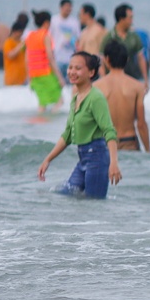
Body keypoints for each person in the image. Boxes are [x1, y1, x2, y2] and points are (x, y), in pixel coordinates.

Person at [36, 53, 120, 198]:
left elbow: (109, 131)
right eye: (70, 68)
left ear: (91, 72)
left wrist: (114, 163)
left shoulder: (96, 98)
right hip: (83, 158)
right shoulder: (76, 98)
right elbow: (67, 135)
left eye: (78, 68)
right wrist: (48, 159)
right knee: (64, 194)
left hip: (98, 158)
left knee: (93, 205)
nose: (72, 72)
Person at [95, 39, 150, 154]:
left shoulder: (95, 87)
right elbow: (141, 124)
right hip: (129, 143)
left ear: (106, 59)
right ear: (127, 60)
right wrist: (148, 151)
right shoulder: (137, 87)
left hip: (105, 144)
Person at [25, 11, 62, 117]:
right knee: (60, 101)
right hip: (46, 73)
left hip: (34, 75)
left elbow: (27, 59)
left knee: (42, 104)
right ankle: (50, 125)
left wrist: (29, 78)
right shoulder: (45, 35)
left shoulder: (30, 36)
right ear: (46, 23)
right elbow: (50, 57)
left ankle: (40, 126)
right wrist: (60, 77)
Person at [1, 14, 28, 86]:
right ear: (14, 31)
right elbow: (10, 55)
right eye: (20, 32)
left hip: (23, 79)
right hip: (12, 79)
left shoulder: (22, 42)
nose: (21, 34)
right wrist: (20, 46)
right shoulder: (8, 42)